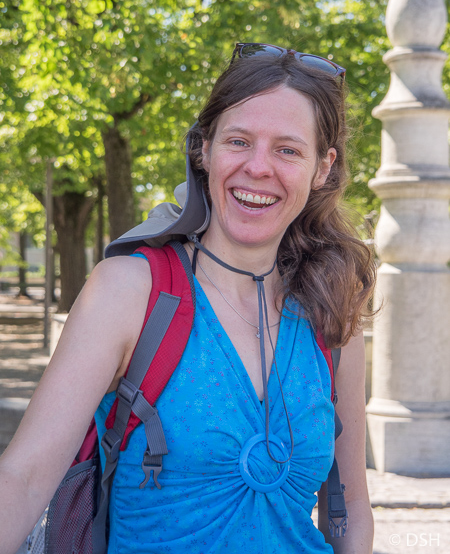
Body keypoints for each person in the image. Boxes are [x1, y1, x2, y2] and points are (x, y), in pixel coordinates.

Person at [0, 42, 376, 553]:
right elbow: (22, 479)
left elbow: (350, 506)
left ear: (322, 168)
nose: (258, 167)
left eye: (288, 150)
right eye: (238, 141)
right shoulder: (128, 292)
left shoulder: (332, 313)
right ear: (204, 149)